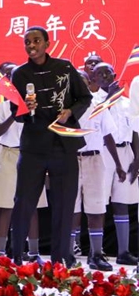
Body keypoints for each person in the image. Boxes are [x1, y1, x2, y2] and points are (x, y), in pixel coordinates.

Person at [10, 26, 91, 266]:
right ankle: (15, 260)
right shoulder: (20, 74)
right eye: (27, 42)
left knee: (65, 206)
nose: (31, 45)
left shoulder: (64, 67)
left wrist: (70, 112)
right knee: (23, 203)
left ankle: (59, 261)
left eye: (36, 40)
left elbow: (84, 98)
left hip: (63, 145)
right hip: (33, 146)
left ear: (47, 43)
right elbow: (17, 114)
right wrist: (26, 107)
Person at [0, 62, 48, 263]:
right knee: (6, 205)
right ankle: (0, 252)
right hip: (7, 153)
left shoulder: (34, 101)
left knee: (31, 206)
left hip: (31, 155)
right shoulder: (2, 101)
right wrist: (16, 113)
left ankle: (33, 252)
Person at [71, 71, 123, 271]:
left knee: (97, 208)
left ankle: (96, 254)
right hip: (71, 160)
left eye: (84, 83)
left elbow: (108, 135)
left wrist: (117, 163)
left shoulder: (97, 106)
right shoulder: (66, 107)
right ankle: (68, 253)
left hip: (94, 158)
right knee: (71, 208)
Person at [93, 62, 139, 266]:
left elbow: (135, 130)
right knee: (100, 204)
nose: (104, 76)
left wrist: (137, 158)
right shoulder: (94, 100)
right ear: (93, 79)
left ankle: (124, 251)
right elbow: (101, 127)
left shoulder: (127, 102)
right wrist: (109, 98)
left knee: (122, 203)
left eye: (107, 73)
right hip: (104, 153)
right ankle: (97, 252)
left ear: (114, 75)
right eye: (99, 74)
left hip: (126, 151)